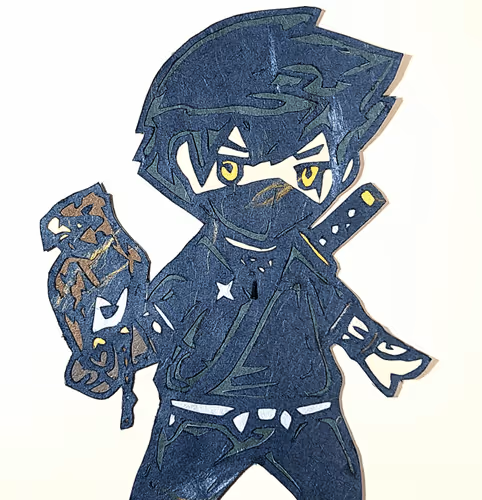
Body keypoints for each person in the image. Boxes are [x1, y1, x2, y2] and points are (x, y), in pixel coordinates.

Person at [41, 7, 431, 499]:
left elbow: (334, 309)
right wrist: (113, 358)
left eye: (306, 171)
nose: (275, 187)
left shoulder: (303, 260)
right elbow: (160, 325)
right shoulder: (201, 264)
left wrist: (373, 347)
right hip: (203, 421)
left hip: (306, 416)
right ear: (186, 163)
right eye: (233, 169)